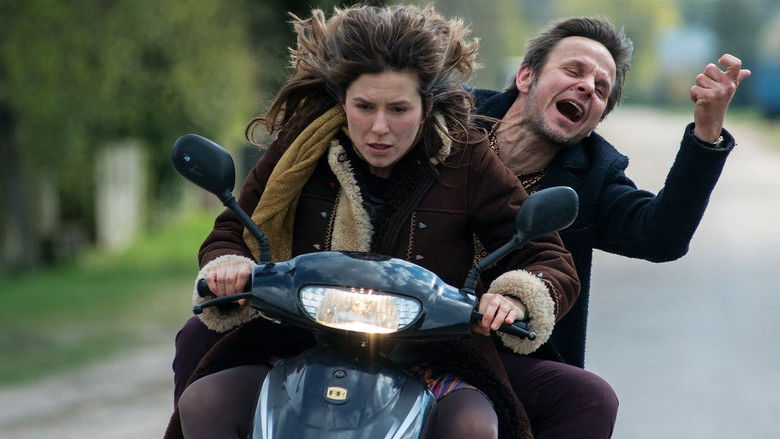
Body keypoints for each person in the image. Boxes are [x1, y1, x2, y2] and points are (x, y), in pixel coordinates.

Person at [165, 5, 580, 439]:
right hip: (298, 341)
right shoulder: (300, 145)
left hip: (429, 358)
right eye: (364, 106)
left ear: (426, 107)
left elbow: (548, 257)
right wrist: (230, 265)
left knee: (474, 426)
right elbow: (233, 230)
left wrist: (515, 299)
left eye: (399, 109)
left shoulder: (466, 155)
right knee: (203, 400)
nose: (379, 127)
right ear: (343, 100)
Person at [473, 16, 750, 437]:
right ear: (526, 76)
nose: (587, 86)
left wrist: (707, 129)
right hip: (398, 322)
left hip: (505, 356)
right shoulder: (449, 119)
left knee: (591, 397)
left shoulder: (594, 175)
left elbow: (662, 236)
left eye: (601, 89)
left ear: (596, 118)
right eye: (573, 70)